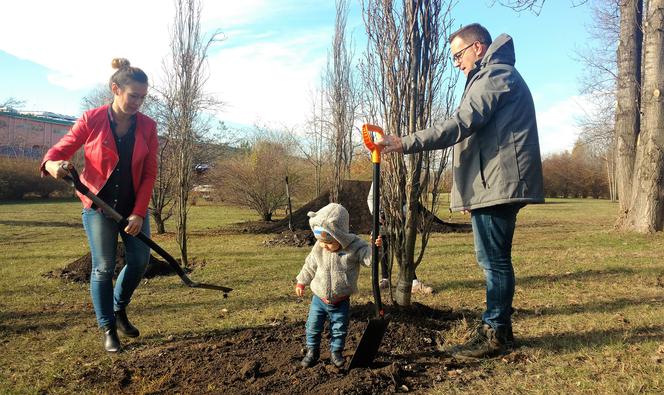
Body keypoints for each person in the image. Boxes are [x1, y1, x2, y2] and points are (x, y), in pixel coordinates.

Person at [377, 23, 544, 360]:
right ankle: (500, 330)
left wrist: (403, 142)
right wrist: (471, 192)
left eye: (458, 55)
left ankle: (495, 334)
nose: (456, 63)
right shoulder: (490, 77)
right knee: (493, 260)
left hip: (500, 183)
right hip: (491, 183)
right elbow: (481, 138)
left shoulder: (497, 75)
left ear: (478, 47)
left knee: (494, 262)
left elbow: (461, 124)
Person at [41, 58, 158, 353]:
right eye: (134, 96)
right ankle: (108, 327)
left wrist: (139, 213)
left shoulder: (148, 127)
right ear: (115, 89)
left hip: (133, 208)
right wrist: (53, 164)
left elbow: (149, 173)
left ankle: (119, 308)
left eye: (143, 97)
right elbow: (58, 150)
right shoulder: (91, 119)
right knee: (104, 267)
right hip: (99, 207)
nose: (138, 103)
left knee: (140, 261)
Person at [295, 203, 382, 368]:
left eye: (328, 243)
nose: (324, 246)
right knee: (312, 327)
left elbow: (369, 260)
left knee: (339, 329)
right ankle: (312, 351)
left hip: (340, 300)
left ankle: (336, 352)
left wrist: (374, 248)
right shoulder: (319, 248)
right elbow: (310, 265)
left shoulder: (355, 247)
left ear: (340, 236)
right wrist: (301, 281)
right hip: (318, 299)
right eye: (321, 242)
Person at [366, 182, 434, 294]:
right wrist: (377, 214)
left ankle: (414, 282)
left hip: (399, 219)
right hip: (382, 219)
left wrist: (401, 212)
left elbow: (410, 198)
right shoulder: (379, 174)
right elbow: (371, 198)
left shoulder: (403, 174)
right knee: (383, 247)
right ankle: (385, 279)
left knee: (403, 249)